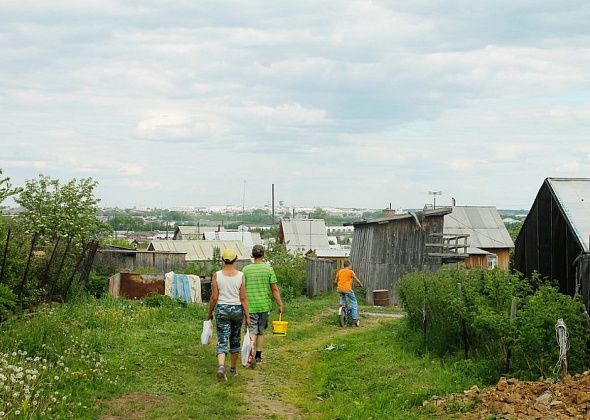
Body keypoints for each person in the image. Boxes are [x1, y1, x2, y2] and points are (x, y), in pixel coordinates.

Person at [207, 248, 250, 381]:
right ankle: (233, 369)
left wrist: (210, 313)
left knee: (222, 339)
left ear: (222, 260)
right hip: (237, 310)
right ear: (235, 260)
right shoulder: (241, 275)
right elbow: (243, 298)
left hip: (222, 310)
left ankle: (221, 367)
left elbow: (214, 297)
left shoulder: (217, 275)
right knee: (235, 339)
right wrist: (248, 316)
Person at [242, 244, 284, 365]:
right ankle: (258, 356)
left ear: (252, 255)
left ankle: (250, 352)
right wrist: (280, 304)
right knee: (261, 331)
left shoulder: (246, 270)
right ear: (263, 254)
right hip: (264, 306)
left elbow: (242, 288)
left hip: (250, 306)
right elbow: (274, 289)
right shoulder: (268, 269)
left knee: (251, 331)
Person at [335, 260, 362, 327]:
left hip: (340, 289)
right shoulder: (350, 272)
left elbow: (335, 281)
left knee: (342, 298)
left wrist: (338, 285)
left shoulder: (340, 271)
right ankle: (355, 318)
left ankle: (341, 307)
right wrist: (360, 284)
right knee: (354, 302)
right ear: (349, 265)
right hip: (347, 289)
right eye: (351, 265)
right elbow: (357, 280)